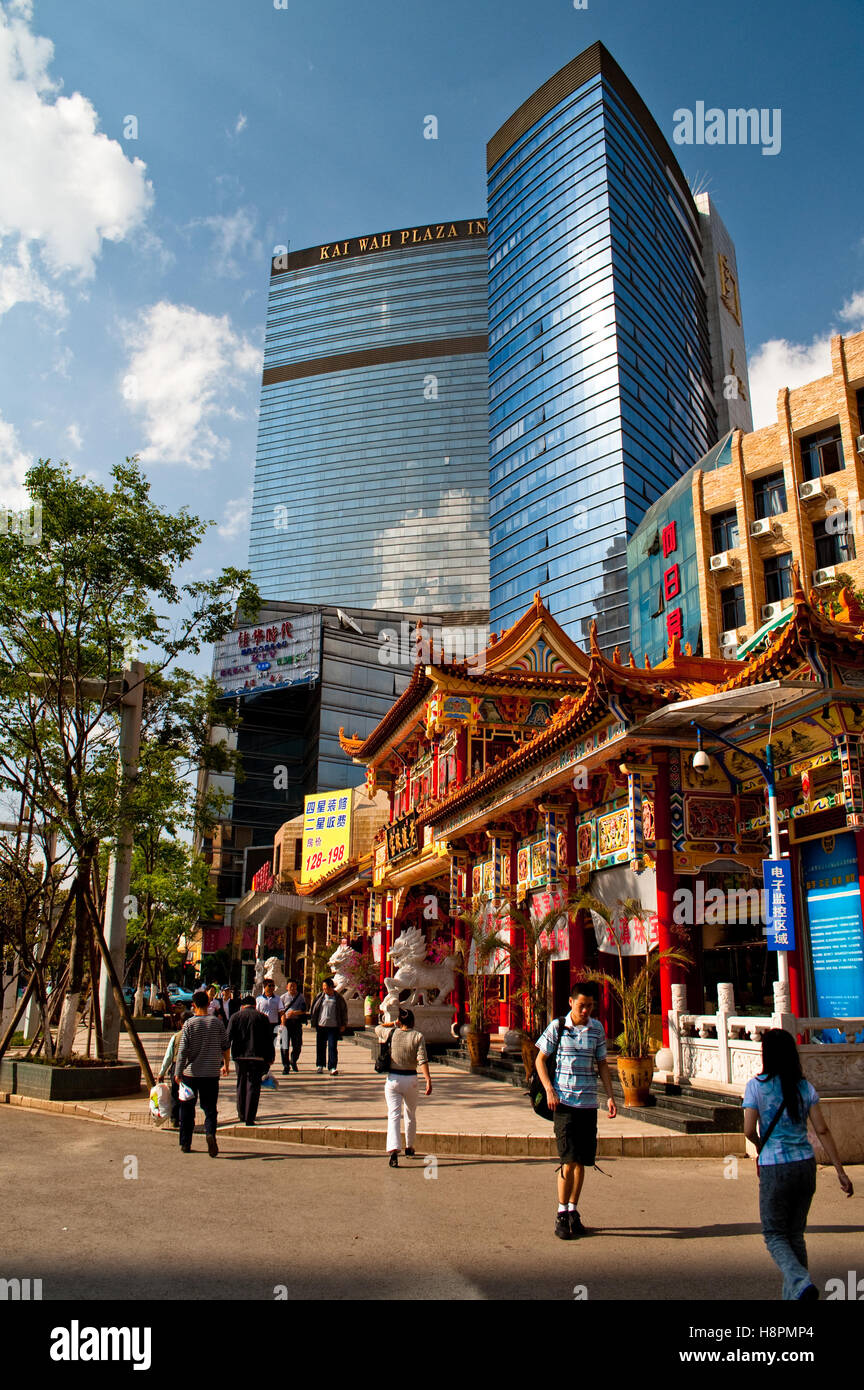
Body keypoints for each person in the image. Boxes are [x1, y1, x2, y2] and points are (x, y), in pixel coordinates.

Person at [743, 1027, 853, 1300]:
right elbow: (822, 1130)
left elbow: (747, 1130)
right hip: (805, 1165)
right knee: (795, 1233)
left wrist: (759, 1144)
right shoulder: (804, 1087)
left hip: (775, 1167)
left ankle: (801, 1284)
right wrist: (840, 1170)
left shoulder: (756, 1086)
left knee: (774, 1234)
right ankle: (796, 1296)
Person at [534, 981, 617, 1240]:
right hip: (564, 1103)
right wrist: (549, 1089)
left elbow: (602, 1064)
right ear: (571, 1002)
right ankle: (561, 1212)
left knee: (582, 1161)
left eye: (590, 1006)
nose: (586, 1011)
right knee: (568, 1161)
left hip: (588, 1103)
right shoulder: (557, 1027)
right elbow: (539, 1059)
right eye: (582, 1006)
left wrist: (611, 1096)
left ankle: (573, 1211)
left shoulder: (597, 1029)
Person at [174, 990, 230, 1156]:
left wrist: (178, 1072)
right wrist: (226, 1065)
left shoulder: (190, 1024)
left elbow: (183, 1051)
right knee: (210, 1108)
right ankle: (210, 1133)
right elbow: (226, 1046)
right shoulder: (217, 1023)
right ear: (208, 1003)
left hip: (191, 1074)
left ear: (194, 1005)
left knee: (187, 1109)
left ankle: (185, 1142)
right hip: (211, 1074)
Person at [375, 1008, 432, 1167]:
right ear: (413, 1021)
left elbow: (377, 1028)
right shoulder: (417, 1036)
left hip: (393, 1079)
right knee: (410, 1113)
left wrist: (393, 1023)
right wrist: (428, 1079)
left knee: (393, 1115)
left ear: (400, 1021)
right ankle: (409, 1146)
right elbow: (422, 1060)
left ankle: (393, 1150)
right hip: (411, 1079)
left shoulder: (391, 1033)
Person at [226, 995, 276, 1126]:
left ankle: (241, 1114)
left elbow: (227, 1038)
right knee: (253, 1086)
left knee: (241, 1084)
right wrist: (270, 1057)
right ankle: (250, 1117)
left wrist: (223, 1059)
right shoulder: (263, 1018)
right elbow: (269, 1039)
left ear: (242, 1006)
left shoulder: (235, 1017)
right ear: (255, 1005)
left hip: (240, 1056)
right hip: (257, 1056)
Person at [157, 1009, 192, 1128]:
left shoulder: (176, 1037)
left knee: (175, 1095)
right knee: (189, 1095)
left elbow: (168, 1056)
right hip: (191, 1069)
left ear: (180, 1023)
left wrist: (161, 1073)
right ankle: (187, 1118)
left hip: (176, 1068)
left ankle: (175, 1119)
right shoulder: (196, 1035)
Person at [310, 977, 348, 1075]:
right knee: (320, 1046)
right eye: (323, 987)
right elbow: (314, 1009)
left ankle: (332, 1067)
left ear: (331, 987)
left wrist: (343, 1024)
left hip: (333, 1026)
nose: (324, 989)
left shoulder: (338, 998)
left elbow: (344, 1011)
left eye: (325, 987)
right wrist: (313, 1021)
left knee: (332, 1047)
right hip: (321, 1025)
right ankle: (320, 1065)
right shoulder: (320, 996)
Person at [255, 978, 282, 1087]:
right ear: (264, 987)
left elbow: (281, 1012)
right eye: (269, 986)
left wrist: (282, 1024)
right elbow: (256, 1012)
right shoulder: (259, 999)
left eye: (273, 986)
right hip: (261, 1026)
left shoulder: (278, 999)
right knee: (261, 1047)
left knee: (270, 1047)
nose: (271, 988)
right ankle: (262, 1067)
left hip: (273, 1025)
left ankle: (267, 1066)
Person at [279, 978, 307, 1073]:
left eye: (294, 986)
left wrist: (294, 1013)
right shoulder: (282, 998)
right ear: (287, 987)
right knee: (284, 1046)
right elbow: (280, 1011)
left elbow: (304, 1010)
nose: (292, 988)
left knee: (297, 1045)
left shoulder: (301, 997)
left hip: (296, 1023)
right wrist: (282, 1022)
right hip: (286, 1023)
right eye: (290, 986)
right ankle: (286, 1065)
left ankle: (293, 1060)